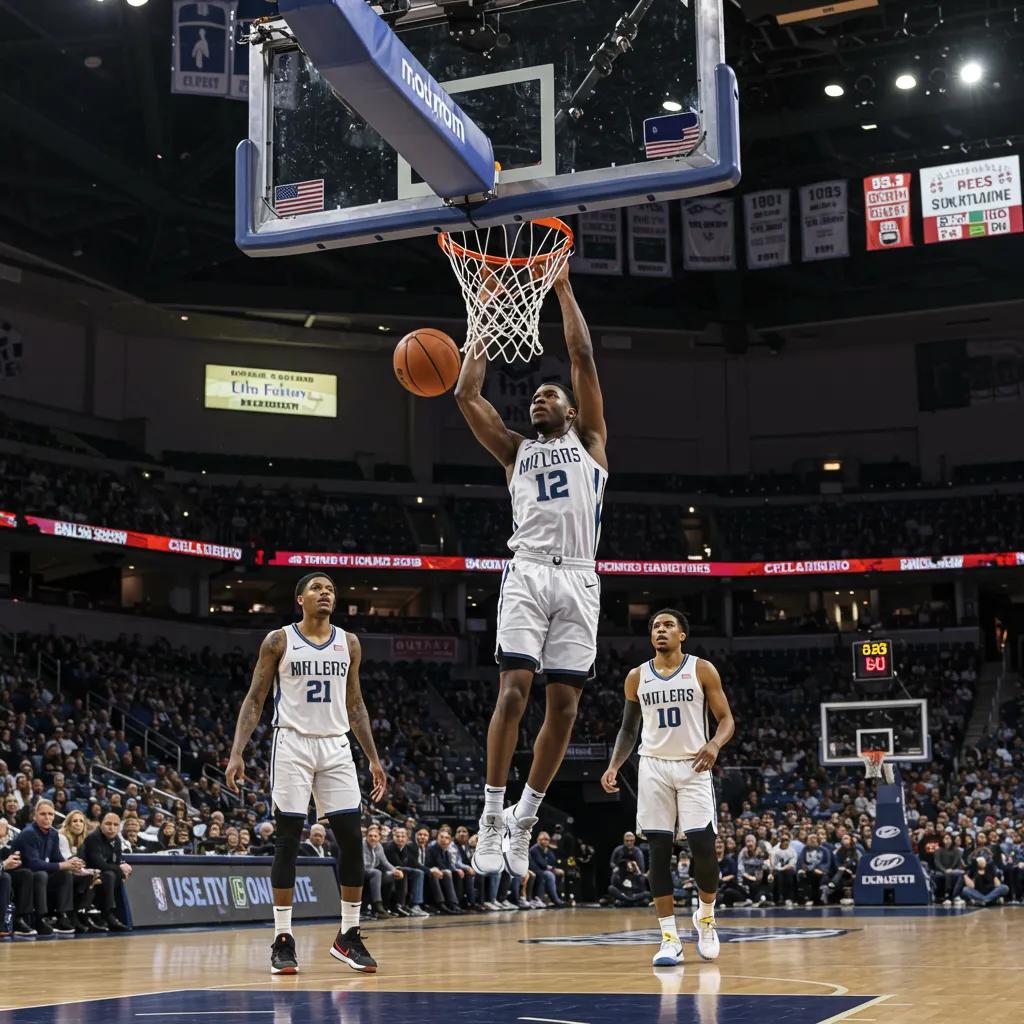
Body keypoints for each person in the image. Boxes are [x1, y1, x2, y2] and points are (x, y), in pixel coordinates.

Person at [455, 261, 609, 878]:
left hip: (580, 576)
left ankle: (525, 819)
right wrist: (483, 315)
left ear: (571, 413)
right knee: (514, 690)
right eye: (536, 396)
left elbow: (582, 357)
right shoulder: (515, 450)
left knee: (565, 708)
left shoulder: (590, 443)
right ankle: (492, 816)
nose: (539, 398)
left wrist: (563, 289)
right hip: (527, 571)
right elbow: (467, 395)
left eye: (551, 396)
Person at [226, 573, 387, 975]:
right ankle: (283, 938)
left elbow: (356, 704)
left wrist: (373, 757)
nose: (325, 593)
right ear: (300, 598)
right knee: (288, 839)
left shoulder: (349, 643)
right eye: (316, 588)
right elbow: (255, 698)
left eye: (330, 589)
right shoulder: (279, 640)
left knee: (351, 838)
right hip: (292, 742)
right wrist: (237, 752)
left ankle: (348, 935)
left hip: (336, 744)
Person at [602, 609, 735, 966]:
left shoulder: (702, 669)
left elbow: (726, 719)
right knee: (658, 852)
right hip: (653, 766)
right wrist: (614, 765)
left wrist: (714, 744)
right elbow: (628, 729)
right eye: (656, 626)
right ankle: (669, 939)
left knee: (703, 848)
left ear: (682, 635)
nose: (661, 630)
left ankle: (705, 918)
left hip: (694, 764)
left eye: (668, 625)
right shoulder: (636, 677)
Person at [11, 800, 79, 936]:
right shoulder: (29, 833)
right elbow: (33, 864)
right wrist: (62, 865)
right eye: (43, 814)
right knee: (41, 874)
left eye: (50, 814)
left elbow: (57, 858)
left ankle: (62, 916)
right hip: (21, 874)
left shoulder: (53, 833)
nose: (47, 817)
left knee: (66, 874)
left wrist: (74, 866)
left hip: (39, 874)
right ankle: (38, 918)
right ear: (35, 816)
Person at [82, 812, 131, 931]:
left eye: (115, 825)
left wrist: (122, 866)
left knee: (115, 874)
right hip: (87, 874)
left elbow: (116, 861)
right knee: (110, 875)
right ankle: (107, 913)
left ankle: (117, 913)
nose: (112, 828)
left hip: (103, 875)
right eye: (108, 824)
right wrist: (120, 868)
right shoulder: (93, 838)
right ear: (100, 824)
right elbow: (99, 864)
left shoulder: (117, 840)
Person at [384, 826, 428, 917]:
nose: (400, 839)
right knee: (403, 871)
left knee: (419, 872)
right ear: (393, 837)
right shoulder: (389, 847)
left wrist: (429, 870)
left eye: (403, 836)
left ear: (407, 838)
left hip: (400, 870)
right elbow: (398, 864)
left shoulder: (408, 848)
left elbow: (414, 863)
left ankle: (415, 905)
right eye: (397, 836)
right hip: (388, 871)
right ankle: (401, 905)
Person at [362, 824, 403, 919]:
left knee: (391, 876)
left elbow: (385, 862)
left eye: (375, 836)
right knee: (377, 873)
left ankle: (386, 907)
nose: (373, 838)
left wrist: (395, 871)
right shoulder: (362, 844)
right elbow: (364, 865)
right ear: (366, 836)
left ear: (379, 837)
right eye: (370, 836)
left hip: (372, 873)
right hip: (361, 872)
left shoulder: (379, 846)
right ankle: (378, 906)